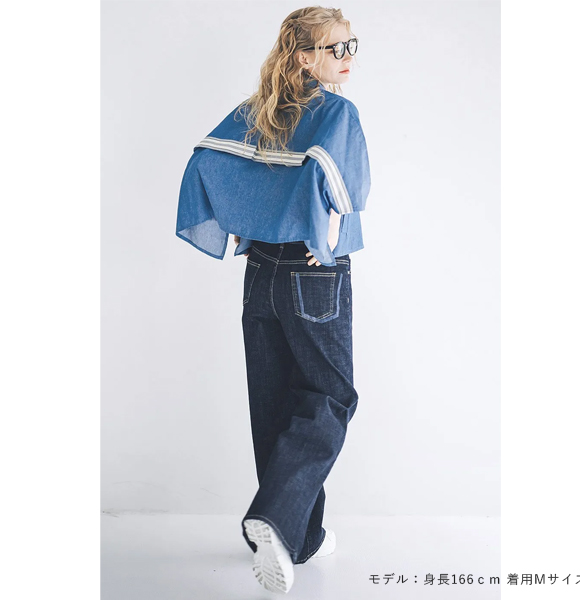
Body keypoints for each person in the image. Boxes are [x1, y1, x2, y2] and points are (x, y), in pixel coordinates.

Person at [176, 6, 370, 594]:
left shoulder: (257, 110)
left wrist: (245, 219)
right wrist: (324, 232)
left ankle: (299, 537)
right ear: (305, 58)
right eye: (336, 48)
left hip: (259, 270)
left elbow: (206, 160)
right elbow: (348, 190)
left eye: (352, 45)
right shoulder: (337, 112)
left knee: (275, 400)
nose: (348, 58)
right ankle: (278, 523)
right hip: (313, 275)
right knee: (329, 396)